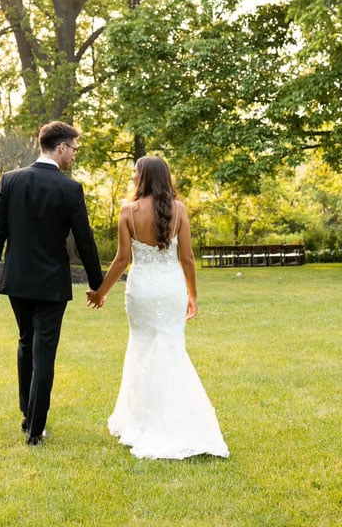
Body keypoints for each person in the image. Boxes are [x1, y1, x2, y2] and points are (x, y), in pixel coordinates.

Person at [88, 155, 229, 460]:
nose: (133, 177)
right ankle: (182, 421)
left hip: (142, 291)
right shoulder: (179, 210)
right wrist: (193, 295)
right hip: (170, 289)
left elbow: (122, 259)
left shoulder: (129, 211)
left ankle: (139, 421)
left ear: (145, 177)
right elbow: (188, 258)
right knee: (172, 349)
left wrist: (101, 292)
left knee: (142, 348)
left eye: (135, 173)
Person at [0, 121, 104, 446]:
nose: (75, 156)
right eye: (74, 149)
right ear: (61, 147)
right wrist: (98, 284)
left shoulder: (11, 181)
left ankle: (28, 415)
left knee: (26, 343)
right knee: (44, 353)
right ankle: (35, 429)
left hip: (18, 280)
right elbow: (84, 241)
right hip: (51, 285)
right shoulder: (70, 189)